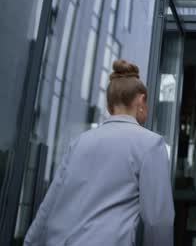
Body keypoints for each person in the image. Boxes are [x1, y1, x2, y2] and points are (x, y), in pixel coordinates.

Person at [24, 59, 174, 246]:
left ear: (110, 106)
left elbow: (49, 206)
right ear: (141, 100)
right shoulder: (151, 144)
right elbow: (158, 220)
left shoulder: (79, 143)